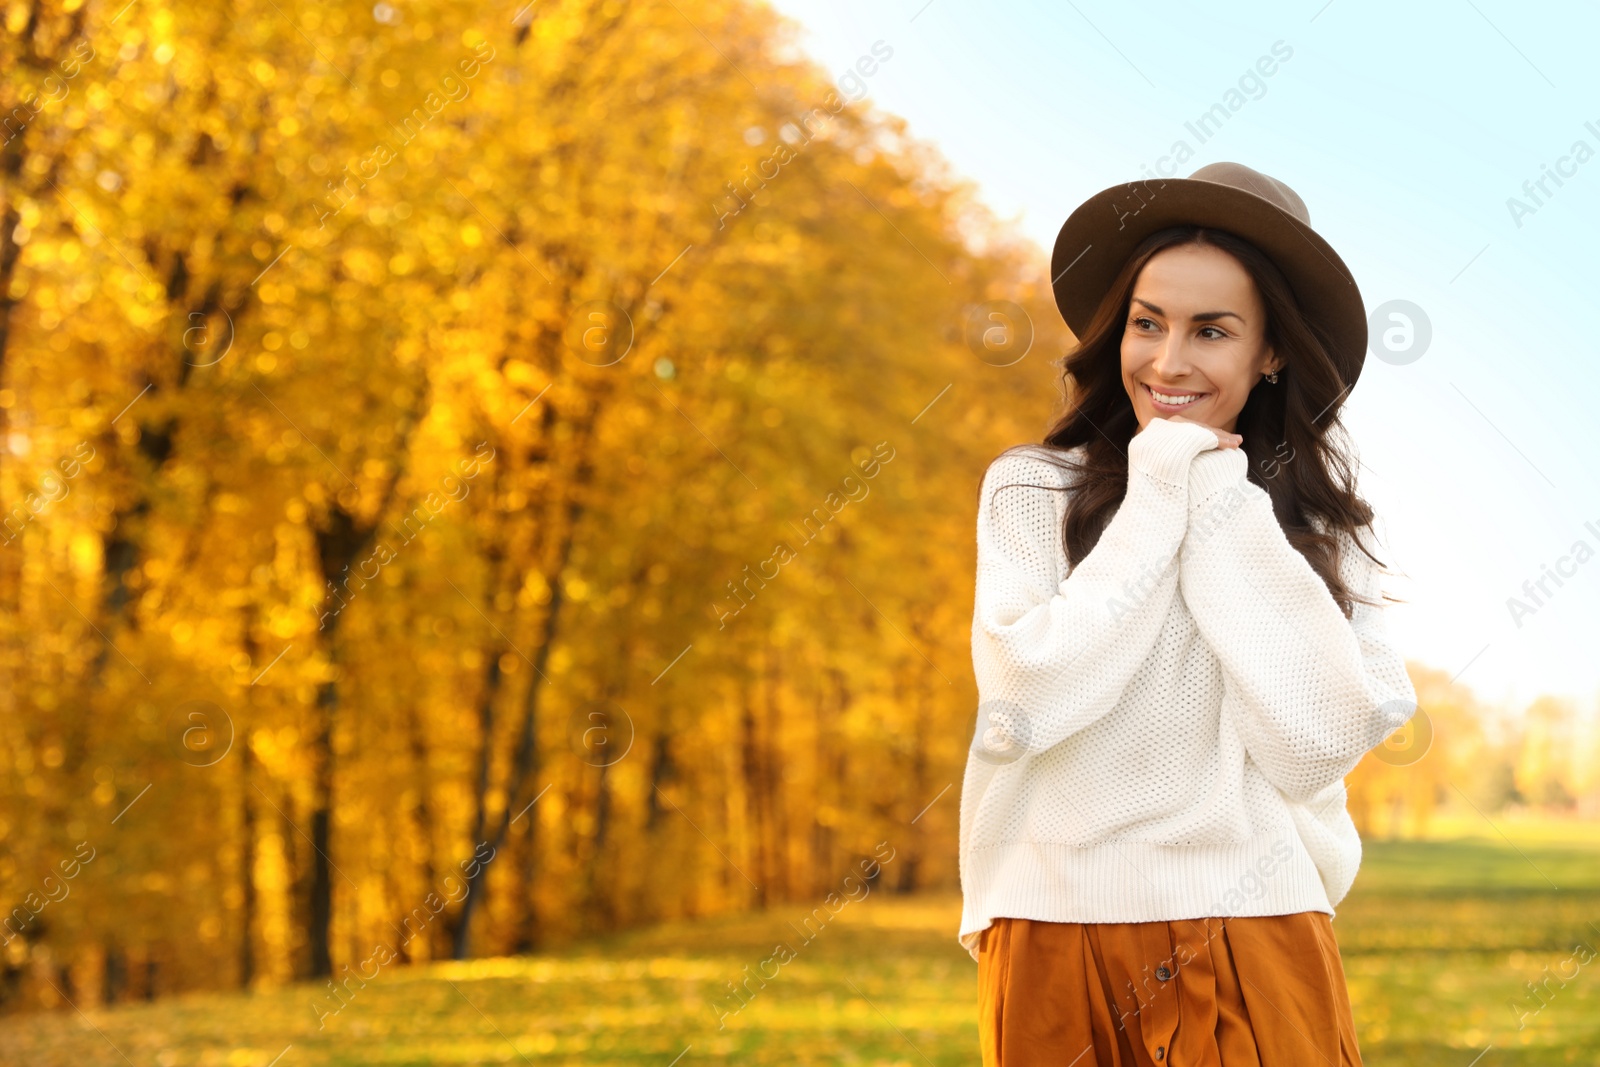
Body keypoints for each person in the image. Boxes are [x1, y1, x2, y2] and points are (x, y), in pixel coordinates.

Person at [959, 161, 1418, 1066]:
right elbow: (1028, 694)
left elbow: (1317, 738)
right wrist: (1157, 483)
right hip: (1054, 928)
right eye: (1147, 323)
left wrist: (1214, 493)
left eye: (1212, 330)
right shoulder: (1030, 491)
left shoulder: (1326, 531)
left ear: (1270, 352)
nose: (1168, 362)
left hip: (1258, 926)